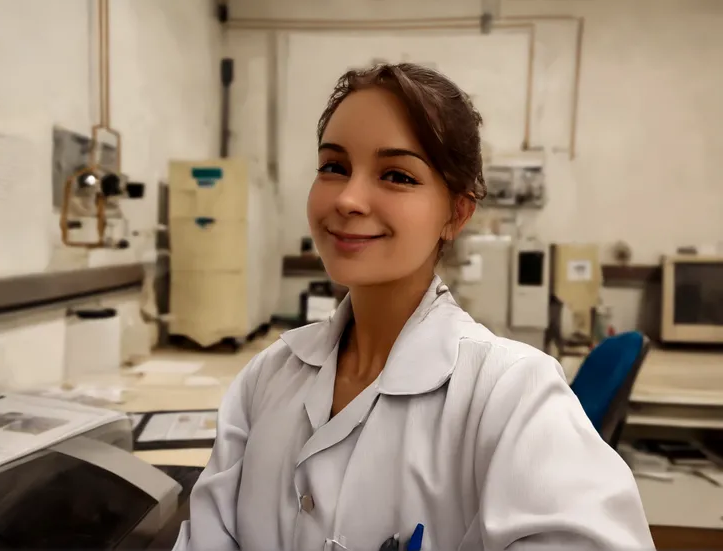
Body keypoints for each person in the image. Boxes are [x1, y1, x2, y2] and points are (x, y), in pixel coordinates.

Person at [173, 63, 654, 551]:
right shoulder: (268, 376)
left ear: (456, 213)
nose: (349, 199)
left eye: (397, 175)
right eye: (334, 167)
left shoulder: (510, 394)